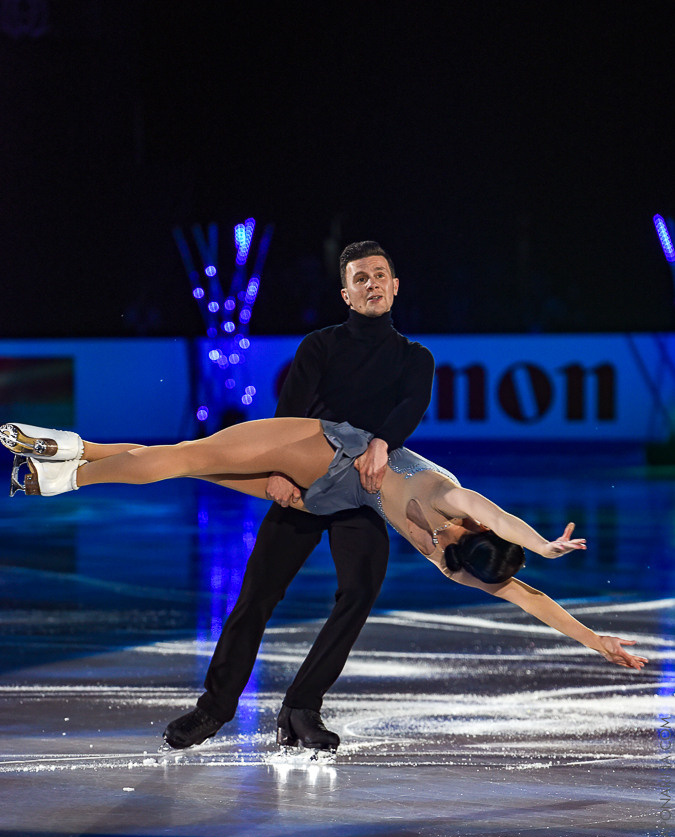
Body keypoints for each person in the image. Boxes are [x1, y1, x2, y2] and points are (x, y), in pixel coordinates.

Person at [5, 242, 437, 753]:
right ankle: (214, 709)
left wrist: (382, 443)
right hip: (300, 485)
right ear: (346, 294)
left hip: (362, 493)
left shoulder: (415, 358)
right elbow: (287, 417)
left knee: (360, 591)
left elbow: (411, 407)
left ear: (395, 285)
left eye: (379, 275)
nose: (371, 284)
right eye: (360, 278)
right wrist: (279, 473)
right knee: (256, 594)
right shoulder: (321, 346)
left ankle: (302, 707)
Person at [3, 417, 649, 695]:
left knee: (188, 464)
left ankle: (66, 448)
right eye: (455, 537)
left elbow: (530, 599)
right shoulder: (453, 499)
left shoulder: (456, 563)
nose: (444, 541)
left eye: (450, 552)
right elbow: (496, 515)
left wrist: (597, 643)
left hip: (326, 494)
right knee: (187, 457)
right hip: (324, 449)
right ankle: (57, 476)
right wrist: (541, 542)